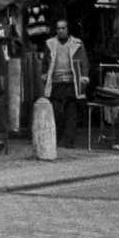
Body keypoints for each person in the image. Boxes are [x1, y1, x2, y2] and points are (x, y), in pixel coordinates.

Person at [41, 18, 90, 148]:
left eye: (63, 28)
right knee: (57, 112)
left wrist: (84, 77)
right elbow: (45, 62)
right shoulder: (50, 43)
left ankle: (69, 141)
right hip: (56, 83)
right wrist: (44, 75)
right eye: (58, 28)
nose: (61, 31)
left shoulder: (77, 43)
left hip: (72, 83)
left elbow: (84, 61)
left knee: (71, 113)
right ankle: (56, 139)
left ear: (68, 29)